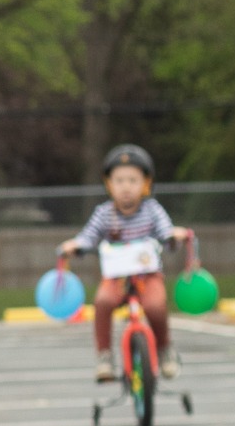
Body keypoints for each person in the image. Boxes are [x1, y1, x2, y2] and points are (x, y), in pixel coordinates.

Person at [59, 144, 189, 382]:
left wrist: (173, 236)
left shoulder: (152, 210)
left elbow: (165, 232)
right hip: (116, 278)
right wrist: (75, 245)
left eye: (133, 180)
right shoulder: (104, 213)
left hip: (147, 275)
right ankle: (105, 356)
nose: (126, 187)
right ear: (109, 184)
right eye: (119, 181)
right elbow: (88, 237)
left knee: (156, 306)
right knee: (102, 302)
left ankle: (164, 349)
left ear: (145, 183)